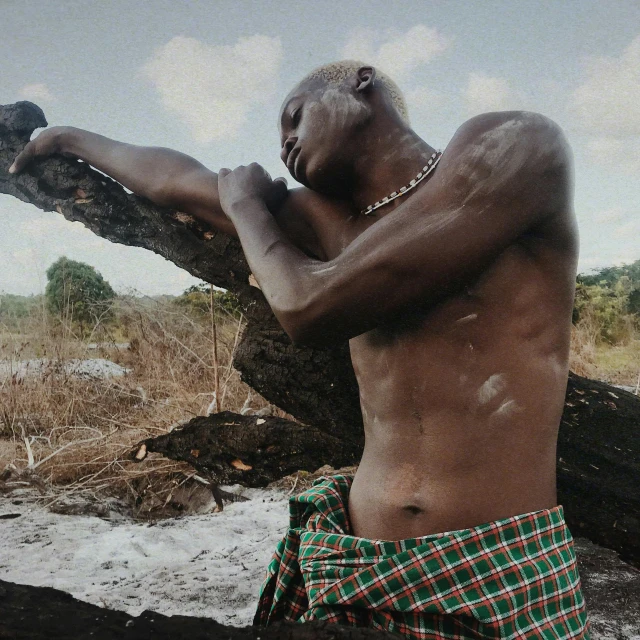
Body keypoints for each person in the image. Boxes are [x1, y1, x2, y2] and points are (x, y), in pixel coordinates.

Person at [10, 60, 589, 639]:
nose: (284, 142)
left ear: (360, 83)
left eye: (294, 116)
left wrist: (244, 204)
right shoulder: (327, 221)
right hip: (354, 565)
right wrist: (67, 138)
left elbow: (309, 307)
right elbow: (174, 178)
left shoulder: (516, 147)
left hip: (494, 569)